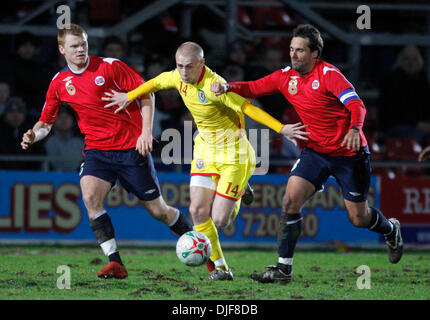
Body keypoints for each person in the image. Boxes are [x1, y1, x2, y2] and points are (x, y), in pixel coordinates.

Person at [210, 24, 403, 284]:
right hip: (315, 152)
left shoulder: (330, 75)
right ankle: (283, 270)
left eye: (300, 50)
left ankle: (391, 229)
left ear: (315, 54)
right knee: (290, 200)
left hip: (350, 154)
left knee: (359, 218)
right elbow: (255, 87)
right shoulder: (285, 77)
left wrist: (355, 129)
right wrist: (228, 87)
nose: (293, 55)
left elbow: (357, 104)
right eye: (291, 49)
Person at [102, 41, 309, 280]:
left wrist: (281, 128)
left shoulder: (215, 86)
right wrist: (128, 96)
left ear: (202, 63)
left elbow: (249, 108)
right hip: (205, 151)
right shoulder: (177, 77)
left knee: (221, 219)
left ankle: (241, 189)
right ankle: (221, 269)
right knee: (197, 211)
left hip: (234, 154)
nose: (183, 72)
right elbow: (155, 82)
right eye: (179, 66)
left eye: (189, 67)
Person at [20, 24, 198, 280]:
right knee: (90, 197)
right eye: (74, 46)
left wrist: (146, 133)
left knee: (159, 212)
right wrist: (33, 135)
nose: (80, 49)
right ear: (62, 50)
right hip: (97, 151)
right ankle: (115, 263)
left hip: (130, 149)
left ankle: (204, 250)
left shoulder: (110, 67)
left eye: (83, 44)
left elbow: (147, 94)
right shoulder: (59, 82)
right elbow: (46, 123)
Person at [0, 97, 45, 170]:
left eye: (19, 111)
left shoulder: (32, 131)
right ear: (5, 114)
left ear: (24, 114)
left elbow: (40, 154)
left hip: (28, 176)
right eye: (11, 112)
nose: (15, 115)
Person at [44, 105, 84, 171]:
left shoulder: (80, 141)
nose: (63, 120)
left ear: (72, 121)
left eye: (67, 117)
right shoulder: (48, 141)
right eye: (60, 117)